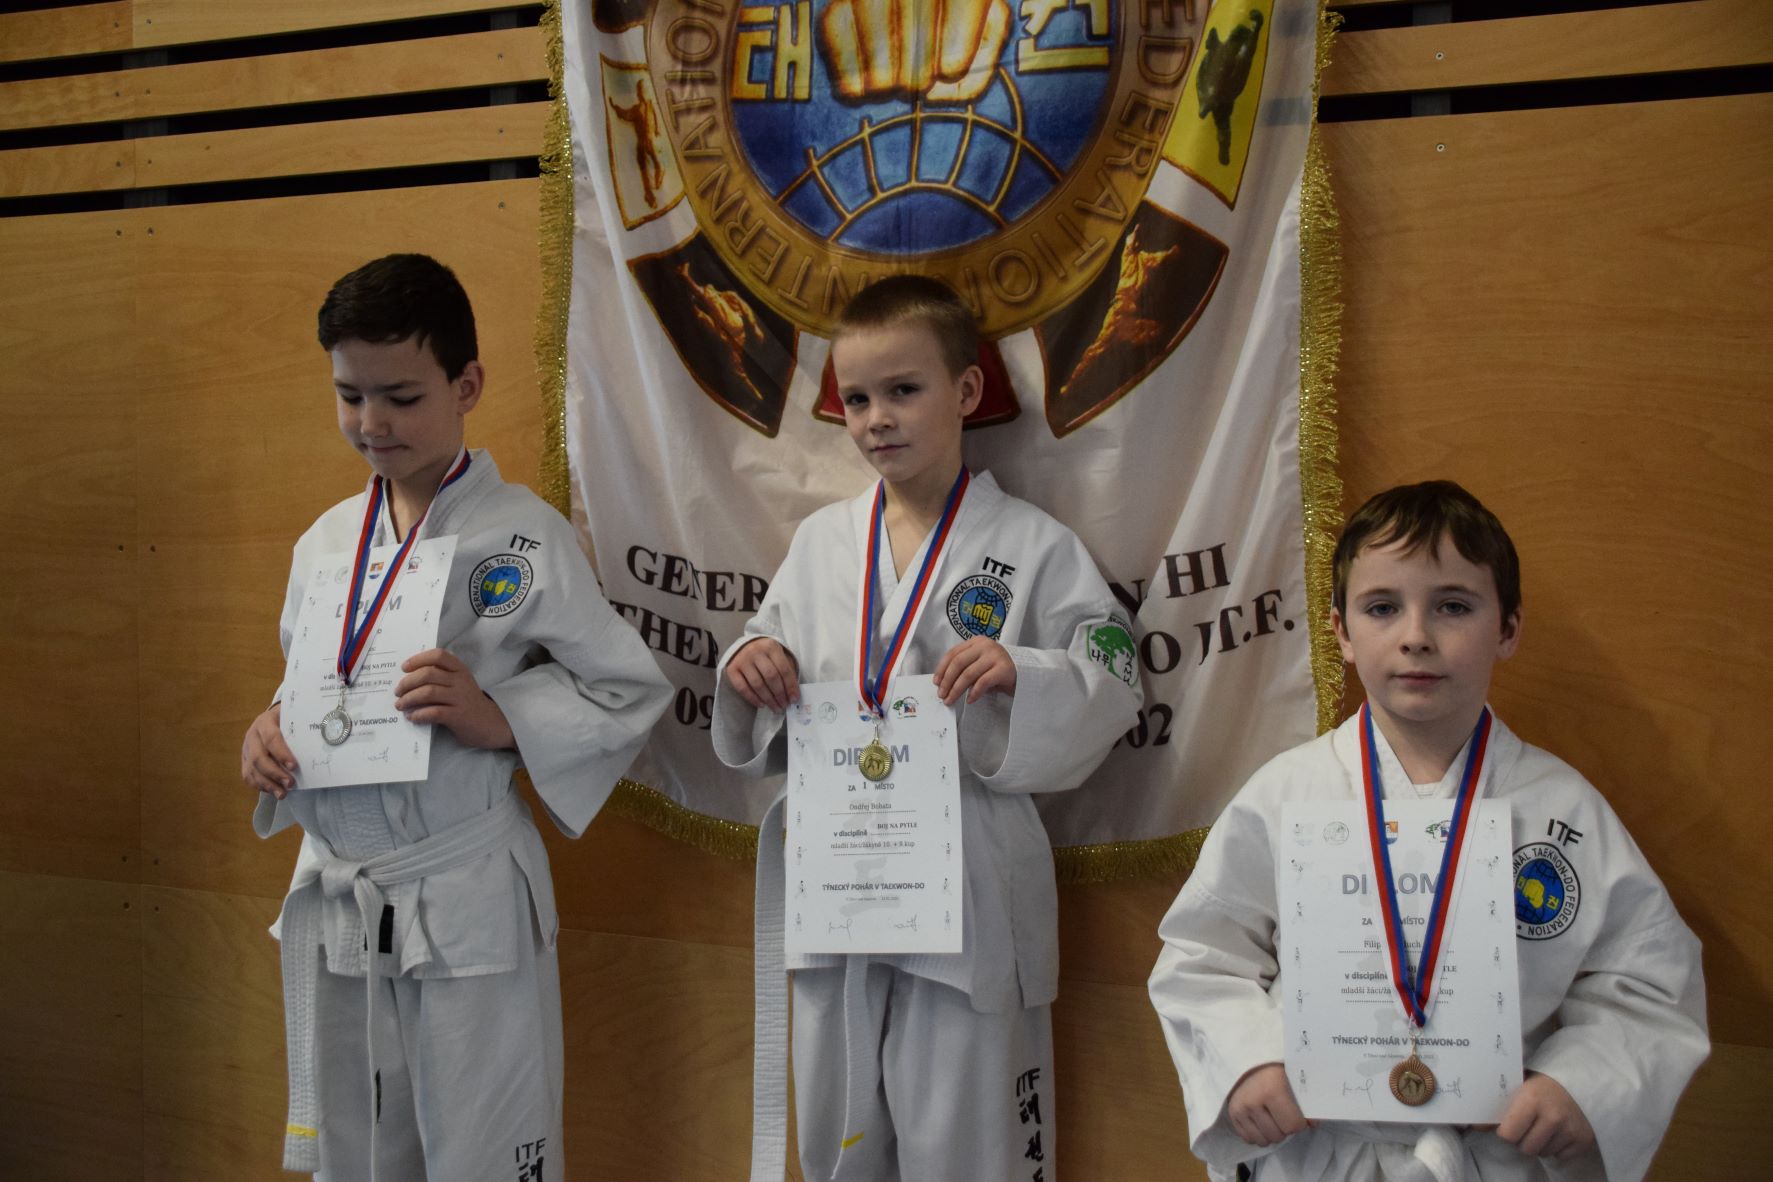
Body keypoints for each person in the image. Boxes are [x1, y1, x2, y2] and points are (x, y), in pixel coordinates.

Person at [238, 253, 671, 1180]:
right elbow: (309, 680)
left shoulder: (523, 535)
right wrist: (270, 730)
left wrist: (500, 716)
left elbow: (627, 689)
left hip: (465, 895)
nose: (372, 422)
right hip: (344, 896)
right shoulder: (325, 543)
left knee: (485, 1152)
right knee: (358, 1152)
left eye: (400, 396)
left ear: (465, 385)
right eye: (350, 395)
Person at [1148, 481, 1709, 1181]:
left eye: (1452, 606)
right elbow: (1202, 955)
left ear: (1507, 629)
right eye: (1382, 608)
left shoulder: (1559, 810)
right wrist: (1245, 1062)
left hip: (1492, 1155)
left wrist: (1580, 1085)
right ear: (1341, 633)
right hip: (1320, 1153)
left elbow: (1647, 978)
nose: (1415, 635)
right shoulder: (1285, 795)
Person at [713, 274, 1142, 1181]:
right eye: (856, 399)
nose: (877, 419)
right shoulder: (821, 543)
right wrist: (752, 663)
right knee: (836, 1138)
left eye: (903, 390)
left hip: (968, 883)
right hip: (839, 873)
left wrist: (1022, 673)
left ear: (966, 391)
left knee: (969, 1143)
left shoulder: (1032, 544)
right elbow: (764, 649)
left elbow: (1112, 670)